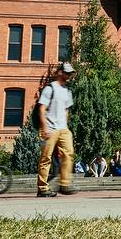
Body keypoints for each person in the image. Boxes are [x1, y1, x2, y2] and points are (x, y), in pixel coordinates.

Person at [37, 62, 77, 197]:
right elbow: (42, 109)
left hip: (63, 129)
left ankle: (64, 184)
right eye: (67, 73)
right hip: (50, 128)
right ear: (60, 72)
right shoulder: (50, 88)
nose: (69, 75)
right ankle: (42, 188)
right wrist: (44, 128)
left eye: (70, 73)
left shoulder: (68, 91)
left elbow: (66, 110)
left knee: (69, 153)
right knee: (46, 158)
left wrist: (64, 125)